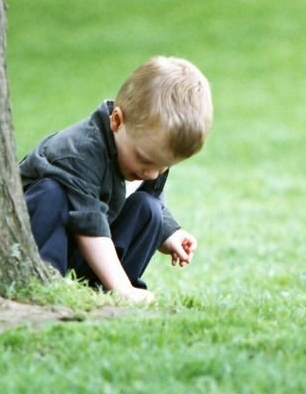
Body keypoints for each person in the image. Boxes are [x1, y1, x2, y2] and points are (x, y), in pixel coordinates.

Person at [20, 56, 213, 304]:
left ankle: (108, 293)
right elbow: (89, 225)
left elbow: (148, 196)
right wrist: (122, 287)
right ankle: (47, 287)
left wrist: (169, 232)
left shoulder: (146, 156)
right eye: (145, 160)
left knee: (149, 207)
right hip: (43, 234)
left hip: (87, 239)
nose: (152, 173)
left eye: (163, 165)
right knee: (51, 192)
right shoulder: (77, 152)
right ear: (117, 121)